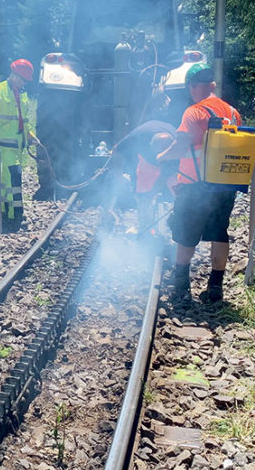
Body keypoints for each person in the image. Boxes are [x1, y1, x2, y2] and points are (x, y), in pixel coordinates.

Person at [156, 63, 243, 304]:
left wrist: (162, 157)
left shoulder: (193, 112)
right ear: (213, 86)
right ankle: (215, 287)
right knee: (219, 233)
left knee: (186, 235)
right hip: (224, 185)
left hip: (195, 185)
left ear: (193, 87)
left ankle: (181, 286)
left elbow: (181, 146)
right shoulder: (233, 113)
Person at [101, 120, 177, 235]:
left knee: (179, 193)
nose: (159, 157)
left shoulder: (178, 146)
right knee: (144, 194)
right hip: (148, 162)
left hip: (172, 164)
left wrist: (154, 192)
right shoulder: (139, 136)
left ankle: (181, 226)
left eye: (162, 154)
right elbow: (118, 150)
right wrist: (118, 172)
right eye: (157, 153)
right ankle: (145, 228)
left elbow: (164, 175)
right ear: (150, 144)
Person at [0, 58, 36, 230]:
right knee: (11, 179)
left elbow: (23, 120)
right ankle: (12, 216)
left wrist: (30, 136)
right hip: (4, 146)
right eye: (22, 79)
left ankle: (11, 214)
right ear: (13, 75)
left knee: (11, 181)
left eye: (25, 81)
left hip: (17, 147)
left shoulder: (22, 93)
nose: (23, 83)